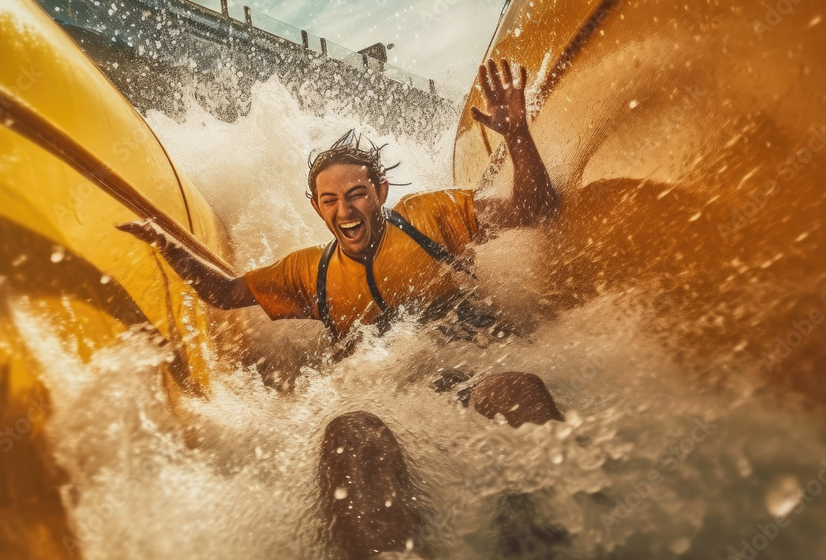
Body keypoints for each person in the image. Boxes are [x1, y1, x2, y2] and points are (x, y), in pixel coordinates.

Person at [119, 58, 564, 558]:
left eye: (356, 195)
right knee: (350, 432)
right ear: (316, 208)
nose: (345, 210)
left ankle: (547, 545)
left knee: (516, 388)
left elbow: (535, 212)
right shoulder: (311, 273)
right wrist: (166, 244)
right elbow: (226, 293)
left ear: (381, 193)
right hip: (403, 402)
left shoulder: (430, 216)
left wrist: (518, 134)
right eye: (330, 200)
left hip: (480, 365)